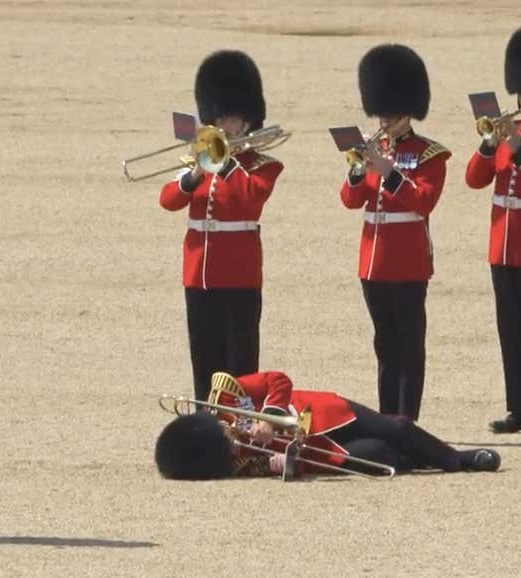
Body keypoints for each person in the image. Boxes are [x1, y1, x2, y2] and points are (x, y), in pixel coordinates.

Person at [159, 50, 284, 402]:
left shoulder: (262, 164)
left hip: (239, 276)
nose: (224, 125)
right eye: (220, 118)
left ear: (246, 121)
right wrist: (197, 171)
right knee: (204, 358)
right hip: (198, 273)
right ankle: (207, 427)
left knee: (239, 364)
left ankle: (241, 431)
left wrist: (223, 162)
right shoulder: (200, 158)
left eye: (231, 119)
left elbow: (250, 199)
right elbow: (169, 200)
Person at [339, 44, 450, 421]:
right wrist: (357, 172)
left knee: (409, 344)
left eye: (393, 114)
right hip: (373, 261)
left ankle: (408, 419)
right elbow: (351, 202)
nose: (386, 120)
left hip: (407, 263)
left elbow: (424, 201)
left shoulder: (429, 154)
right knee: (384, 343)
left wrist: (389, 172)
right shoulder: (372, 149)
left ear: (408, 113)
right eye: (383, 113)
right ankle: (388, 418)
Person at [155, 371, 501, 480]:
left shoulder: (225, 396)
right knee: (384, 456)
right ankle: (425, 460)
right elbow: (284, 466)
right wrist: (285, 463)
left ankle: (459, 460)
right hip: (318, 448)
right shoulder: (237, 462)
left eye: (227, 438)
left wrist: (272, 418)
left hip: (321, 412)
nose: (234, 442)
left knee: (397, 428)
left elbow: (276, 380)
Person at [465, 25, 521, 435]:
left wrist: (519, 147)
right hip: (503, 245)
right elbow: (475, 179)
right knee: (510, 330)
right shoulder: (514, 133)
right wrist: (490, 145)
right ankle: (519, 406)